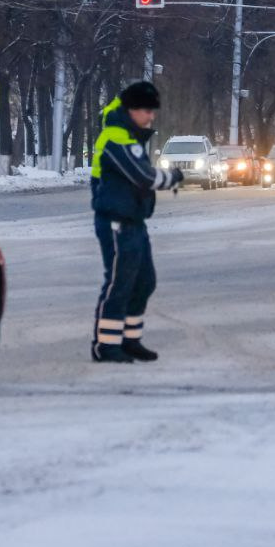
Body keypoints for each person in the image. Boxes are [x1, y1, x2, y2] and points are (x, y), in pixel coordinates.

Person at [89, 81, 183, 364]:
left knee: (144, 281)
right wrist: (173, 177)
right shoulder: (116, 137)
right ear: (131, 109)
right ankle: (106, 345)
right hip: (116, 221)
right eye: (146, 110)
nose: (151, 116)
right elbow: (141, 176)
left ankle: (130, 340)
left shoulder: (129, 136)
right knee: (119, 281)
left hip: (134, 220)